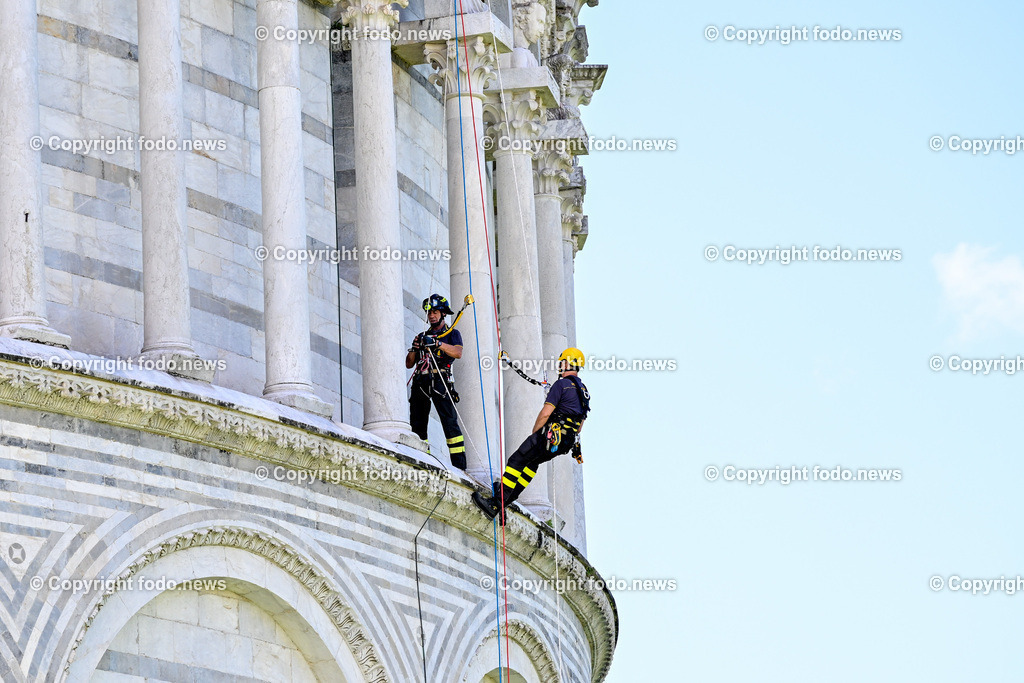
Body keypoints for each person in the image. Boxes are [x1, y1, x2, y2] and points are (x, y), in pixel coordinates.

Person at [473, 348, 591, 524]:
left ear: (567, 363)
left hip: (549, 436)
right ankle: (506, 498)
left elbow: (545, 413)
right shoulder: (584, 391)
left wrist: (535, 434)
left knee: (516, 461)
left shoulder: (561, 385)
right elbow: (579, 426)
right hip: (564, 443)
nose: (560, 367)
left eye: (561, 363)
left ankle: (496, 504)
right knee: (531, 464)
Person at [407, 294, 467, 470]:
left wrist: (437, 343)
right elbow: (409, 364)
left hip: (441, 381)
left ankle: (459, 467)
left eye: (434, 312)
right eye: (429, 312)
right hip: (421, 381)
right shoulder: (422, 335)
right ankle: (421, 460)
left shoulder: (452, 334)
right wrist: (414, 348)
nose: (431, 315)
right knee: (417, 423)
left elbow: (457, 352)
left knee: (450, 424)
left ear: (442, 313)